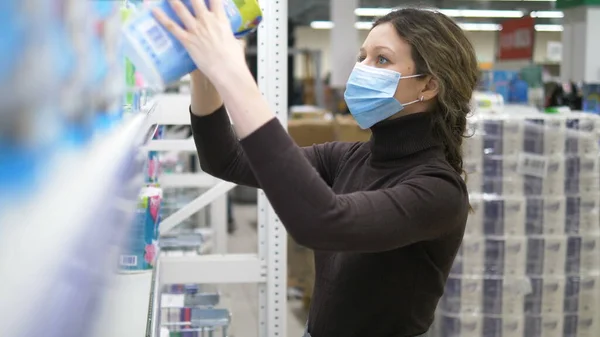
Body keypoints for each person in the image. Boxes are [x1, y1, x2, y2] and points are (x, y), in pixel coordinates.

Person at [153, 2, 477, 336]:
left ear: (428, 86)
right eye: (361, 57)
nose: (361, 69)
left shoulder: (439, 190)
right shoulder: (347, 158)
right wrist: (203, 74)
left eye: (381, 59)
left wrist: (233, 73)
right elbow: (226, 159)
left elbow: (323, 222)